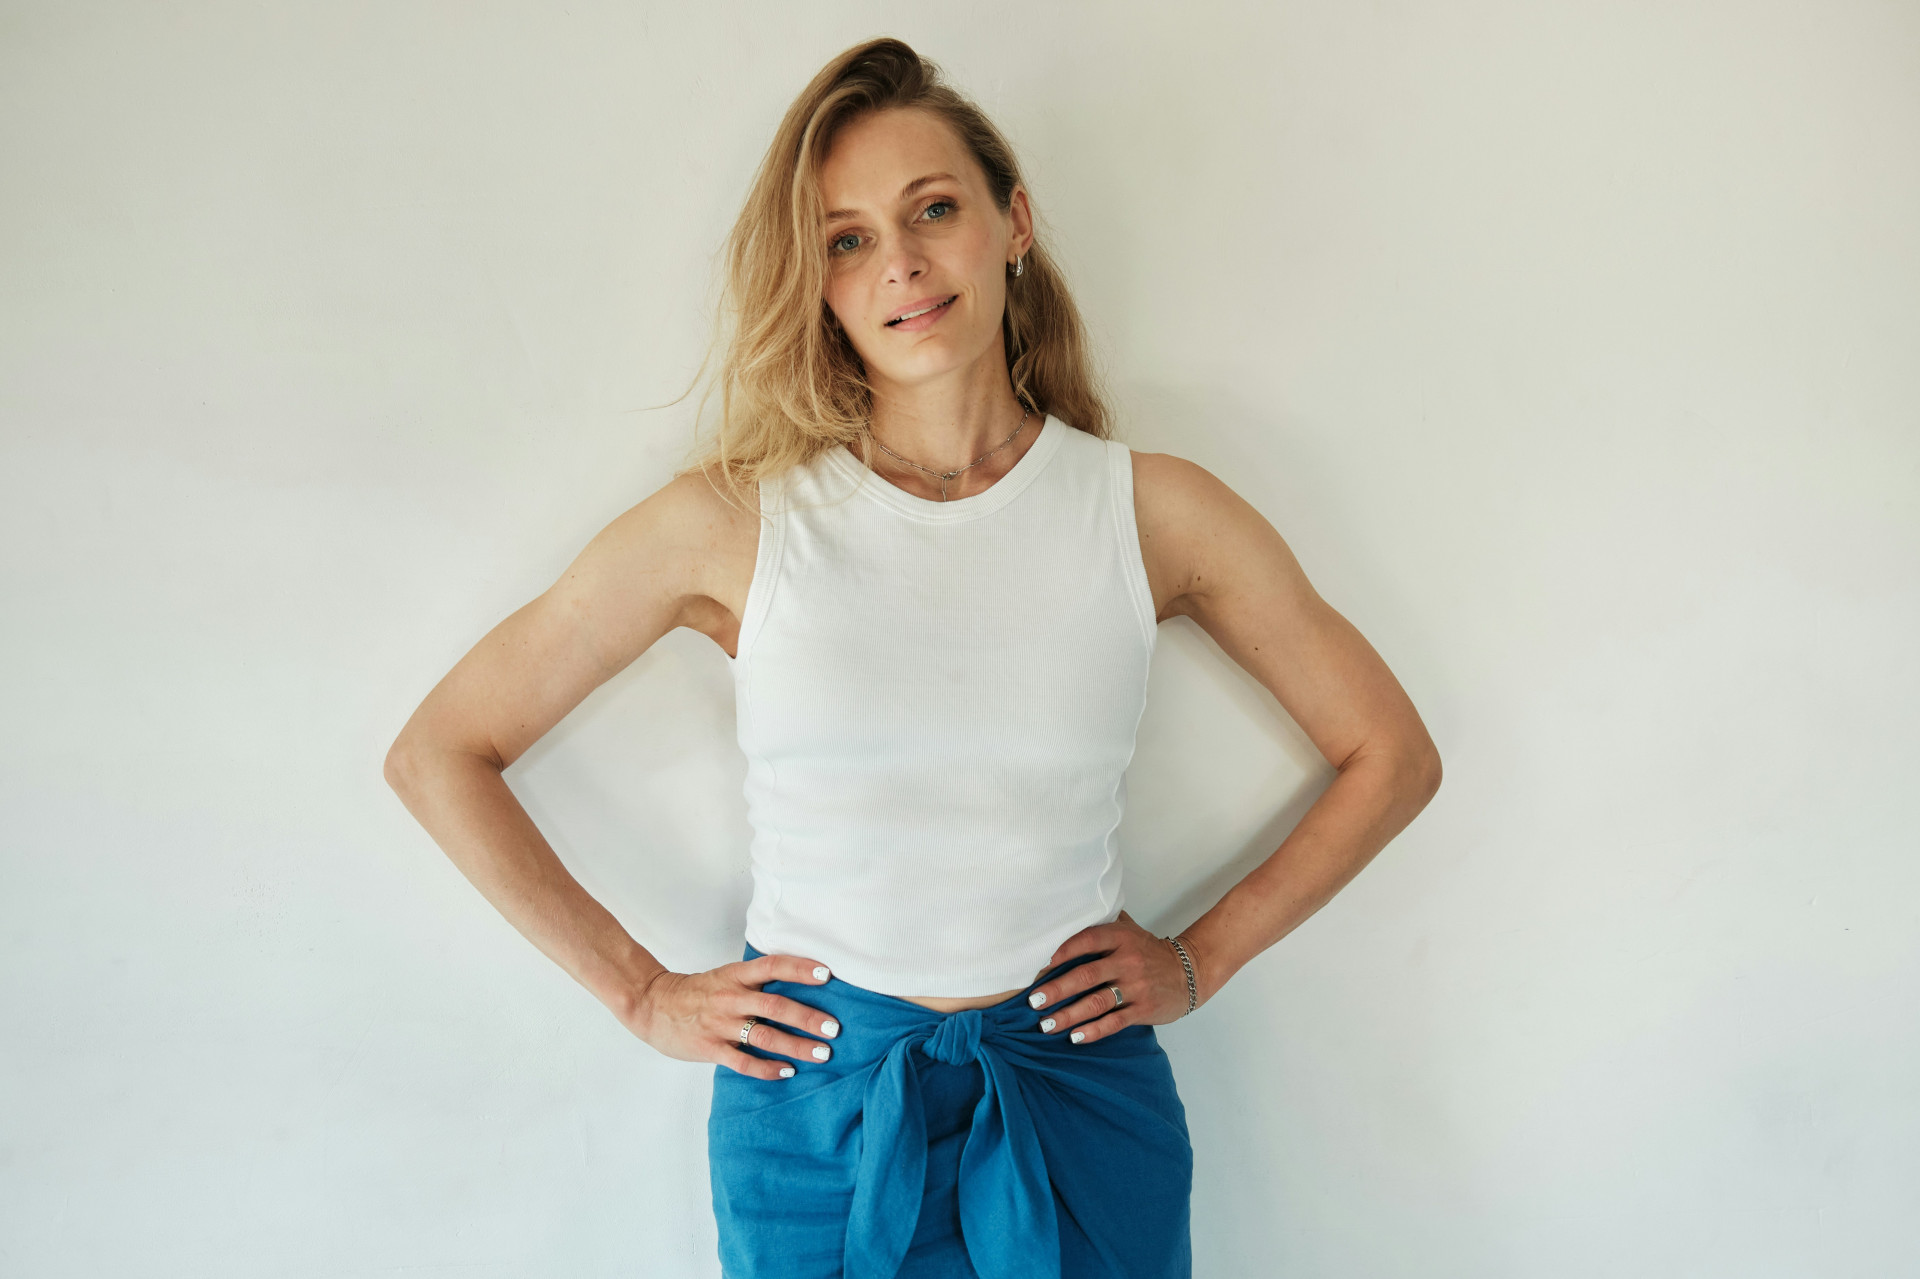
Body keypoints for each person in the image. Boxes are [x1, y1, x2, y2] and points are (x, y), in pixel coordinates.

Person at [383, 35, 1442, 1279]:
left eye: (933, 208)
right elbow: (441, 751)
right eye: (846, 239)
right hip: (814, 1120)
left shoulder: (1152, 512)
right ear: (818, 284)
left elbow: (1391, 753)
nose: (900, 262)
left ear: (1013, 222)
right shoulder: (737, 522)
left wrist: (1200, 959)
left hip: (1077, 1099)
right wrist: (640, 992)